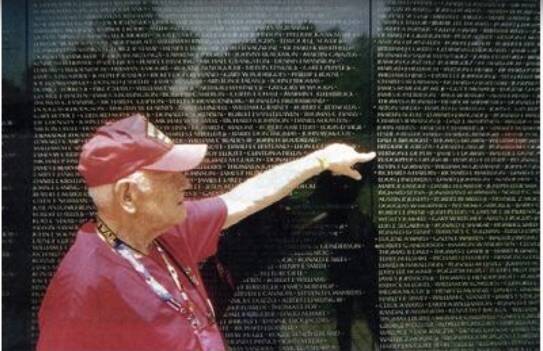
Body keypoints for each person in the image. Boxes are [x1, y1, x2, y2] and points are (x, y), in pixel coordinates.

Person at [37, 113, 376, 351]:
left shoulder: (169, 230)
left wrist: (320, 160)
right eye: (170, 175)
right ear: (128, 196)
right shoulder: (81, 288)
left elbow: (245, 197)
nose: (186, 182)